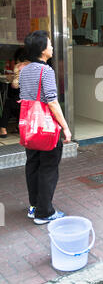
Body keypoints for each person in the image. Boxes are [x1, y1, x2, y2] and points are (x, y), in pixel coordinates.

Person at [19, 30, 72, 225]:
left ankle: (34, 207)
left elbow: (25, 97)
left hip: (30, 127)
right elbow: (52, 102)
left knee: (32, 165)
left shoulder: (24, 70)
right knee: (48, 169)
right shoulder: (46, 71)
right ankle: (45, 212)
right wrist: (65, 127)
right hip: (47, 129)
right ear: (42, 50)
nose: (51, 47)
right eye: (49, 44)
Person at [0, 47, 30, 138]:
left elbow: (15, 85)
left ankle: (3, 129)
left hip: (24, 103)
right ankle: (19, 126)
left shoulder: (19, 66)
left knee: (9, 103)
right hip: (34, 102)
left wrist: (13, 79)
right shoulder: (36, 65)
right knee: (17, 100)